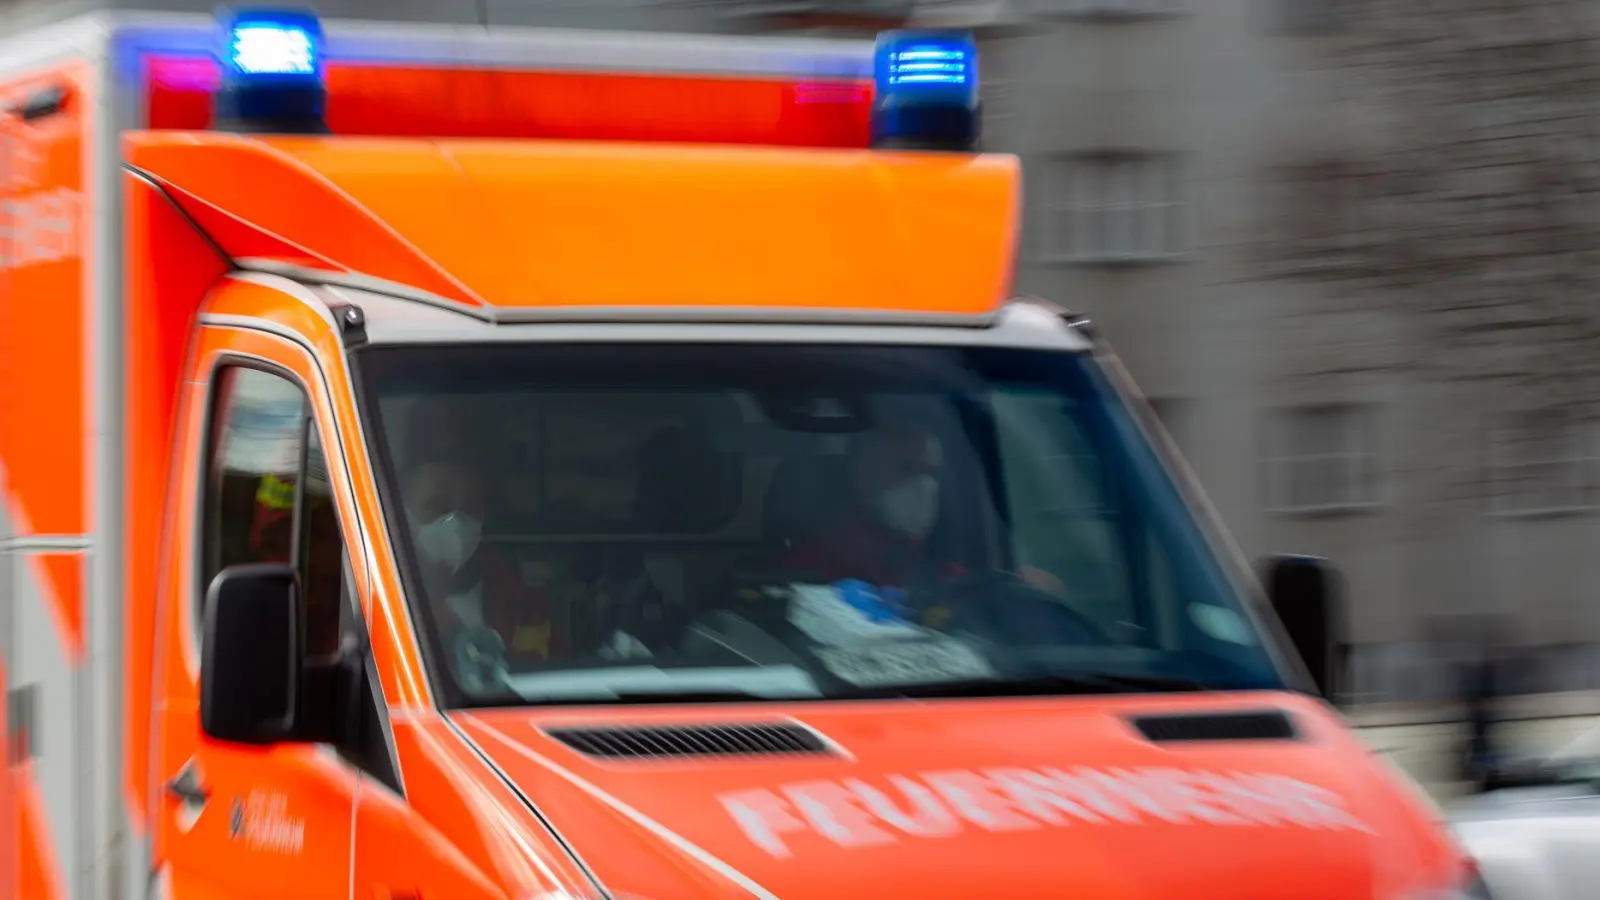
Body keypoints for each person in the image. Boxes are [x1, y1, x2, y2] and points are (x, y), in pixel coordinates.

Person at [401, 457, 568, 670]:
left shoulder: (523, 601)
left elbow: (559, 673)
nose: (456, 521)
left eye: (469, 507)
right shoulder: (392, 604)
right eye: (437, 507)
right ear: (405, 516)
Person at [780, 421, 957, 589]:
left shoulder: (947, 576)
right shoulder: (812, 566)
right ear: (862, 474)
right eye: (907, 469)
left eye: (932, 473)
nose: (924, 485)